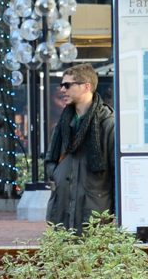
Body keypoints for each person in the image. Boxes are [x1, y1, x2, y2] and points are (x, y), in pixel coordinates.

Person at [45, 63, 115, 231]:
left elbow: (116, 171)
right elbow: (49, 159)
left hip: (93, 214)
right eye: (62, 85)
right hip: (62, 212)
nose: (62, 89)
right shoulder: (63, 123)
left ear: (86, 87)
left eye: (67, 85)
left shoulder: (108, 123)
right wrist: (56, 174)